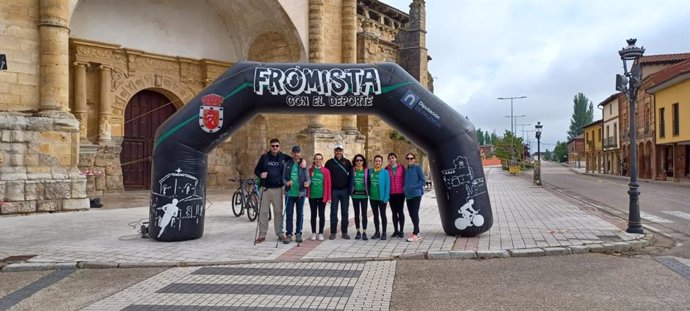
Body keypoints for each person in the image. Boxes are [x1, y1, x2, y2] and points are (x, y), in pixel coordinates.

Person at [254, 138, 290, 244]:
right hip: (265, 189)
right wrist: (260, 174)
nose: (275, 148)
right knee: (263, 212)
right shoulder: (264, 157)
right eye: (273, 146)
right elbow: (256, 170)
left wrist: (303, 161)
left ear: (279, 146)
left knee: (278, 212)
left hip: (278, 189)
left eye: (277, 146)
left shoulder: (284, 157)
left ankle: (280, 234)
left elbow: (295, 160)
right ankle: (262, 234)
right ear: (270, 146)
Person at [282, 145, 310, 244]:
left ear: (299, 153)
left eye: (297, 152)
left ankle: (298, 233)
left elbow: (308, 178)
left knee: (300, 214)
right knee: (289, 214)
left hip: (300, 194)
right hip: (289, 193)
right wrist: (287, 183)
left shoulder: (303, 165)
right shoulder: (287, 164)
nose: (296, 154)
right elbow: (283, 178)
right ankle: (289, 234)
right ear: (292, 153)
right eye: (294, 152)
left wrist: (307, 184)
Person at [325, 144, 353, 239]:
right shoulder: (329, 163)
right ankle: (333, 232)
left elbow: (351, 176)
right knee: (333, 212)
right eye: (337, 150)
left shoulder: (347, 162)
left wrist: (350, 189)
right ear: (334, 151)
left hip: (345, 191)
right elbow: (326, 177)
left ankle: (344, 232)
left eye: (340, 150)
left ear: (342, 151)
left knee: (345, 212)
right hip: (334, 191)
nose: (338, 152)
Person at [307, 153, 331, 241]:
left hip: (322, 196)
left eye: (320, 159)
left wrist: (328, 197)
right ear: (314, 160)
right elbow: (307, 180)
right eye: (316, 159)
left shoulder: (326, 171)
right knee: (313, 215)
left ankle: (321, 233)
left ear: (322, 160)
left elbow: (328, 185)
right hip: (312, 196)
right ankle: (313, 232)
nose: (318, 161)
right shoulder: (310, 170)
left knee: (321, 215)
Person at [403, 153, 425, 242]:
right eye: (408, 158)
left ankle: (416, 233)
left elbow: (423, 181)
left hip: (416, 194)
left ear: (414, 159)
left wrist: (413, 186)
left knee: (415, 213)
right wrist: (404, 188)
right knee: (411, 214)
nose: (410, 160)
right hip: (408, 195)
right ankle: (417, 231)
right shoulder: (406, 170)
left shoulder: (418, 168)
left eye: (411, 158)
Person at [368, 155, 390, 240]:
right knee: (375, 215)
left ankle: (384, 232)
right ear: (374, 162)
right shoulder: (371, 172)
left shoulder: (385, 172)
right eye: (376, 161)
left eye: (379, 161)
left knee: (383, 215)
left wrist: (386, 198)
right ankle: (377, 232)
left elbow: (387, 186)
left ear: (381, 163)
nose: (377, 162)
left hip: (382, 198)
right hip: (373, 197)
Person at [386, 152, 406, 238]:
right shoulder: (386, 169)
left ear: (396, 159)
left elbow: (405, 178)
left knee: (400, 211)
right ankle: (396, 230)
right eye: (390, 158)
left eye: (393, 158)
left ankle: (401, 230)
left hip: (400, 193)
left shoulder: (401, 167)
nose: (391, 159)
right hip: (391, 194)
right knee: (394, 212)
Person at [350, 154, 369, 241]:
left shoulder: (366, 171)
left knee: (364, 214)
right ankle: (358, 231)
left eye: (361, 160)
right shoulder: (352, 170)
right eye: (357, 160)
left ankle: (364, 232)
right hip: (355, 195)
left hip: (364, 195)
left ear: (363, 161)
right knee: (356, 214)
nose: (359, 162)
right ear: (354, 162)